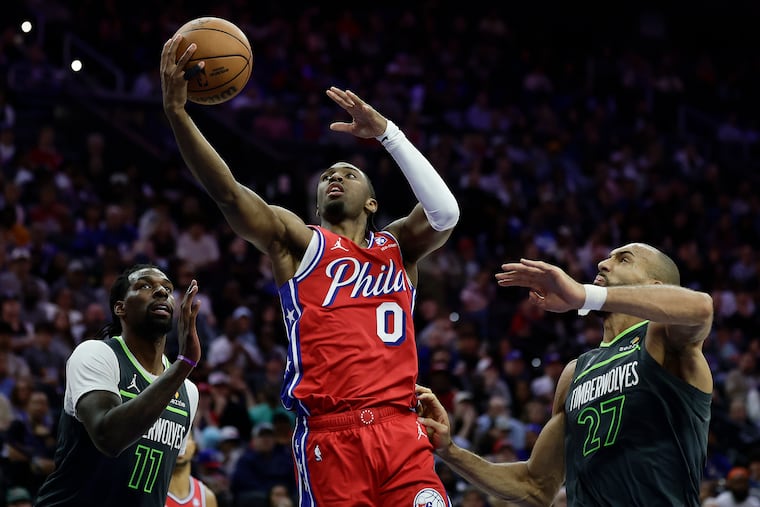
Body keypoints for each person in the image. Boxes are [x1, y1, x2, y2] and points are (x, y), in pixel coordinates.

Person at [161, 33, 459, 506]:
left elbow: (446, 213)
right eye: (326, 177)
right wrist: (178, 114)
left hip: (402, 432)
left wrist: (388, 133)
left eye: (348, 173)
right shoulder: (298, 241)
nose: (334, 177)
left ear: (373, 201)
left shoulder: (398, 246)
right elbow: (230, 194)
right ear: (317, 201)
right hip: (330, 436)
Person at [417, 243, 714, 506]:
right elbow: (534, 486)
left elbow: (701, 308)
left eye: (624, 259)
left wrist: (586, 295)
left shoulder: (662, 342)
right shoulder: (575, 372)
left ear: (655, 285)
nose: (603, 263)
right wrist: (451, 451)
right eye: (608, 257)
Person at [35, 264, 202, 506]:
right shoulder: (96, 354)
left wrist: (181, 369)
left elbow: (151, 482)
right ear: (120, 307)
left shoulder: (189, 392)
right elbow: (108, 437)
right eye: (145, 286)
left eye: (167, 288)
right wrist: (184, 364)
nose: (161, 292)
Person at [165, 432, 218, 507]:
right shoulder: (151, 491)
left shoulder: (207, 497)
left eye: (185, 438)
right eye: (175, 438)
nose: (180, 445)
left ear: (194, 446)